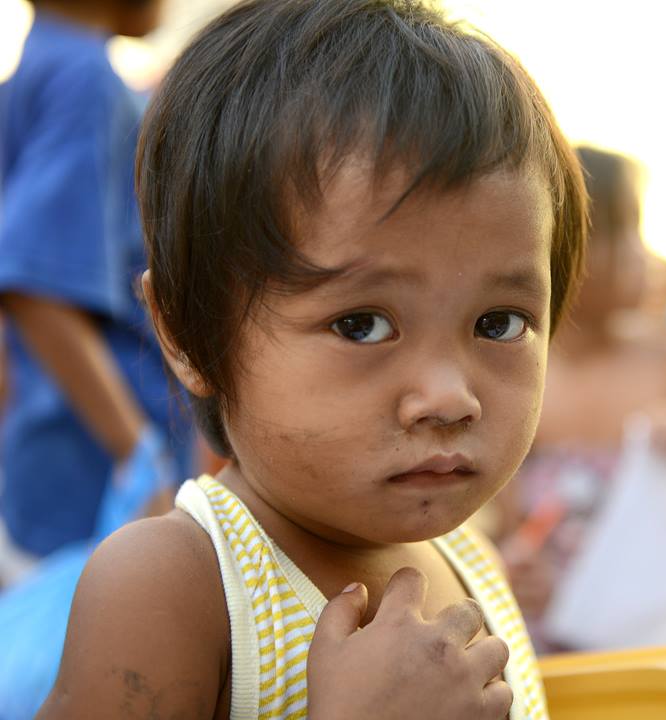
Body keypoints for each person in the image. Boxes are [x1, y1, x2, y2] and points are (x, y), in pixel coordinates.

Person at [38, 1, 588, 718]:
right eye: (362, 325)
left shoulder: (473, 562)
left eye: (499, 323)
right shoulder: (175, 587)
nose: (450, 397)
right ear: (188, 336)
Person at [497, 147, 666, 651]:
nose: (643, 255)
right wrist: (518, 565)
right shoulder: (518, 377)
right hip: (548, 644)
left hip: (657, 644)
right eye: (625, 233)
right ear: (561, 245)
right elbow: (509, 529)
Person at [0, 0, 191, 564]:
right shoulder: (85, 78)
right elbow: (37, 288)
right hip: (97, 487)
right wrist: (139, 459)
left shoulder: (39, 64)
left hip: (49, 462)